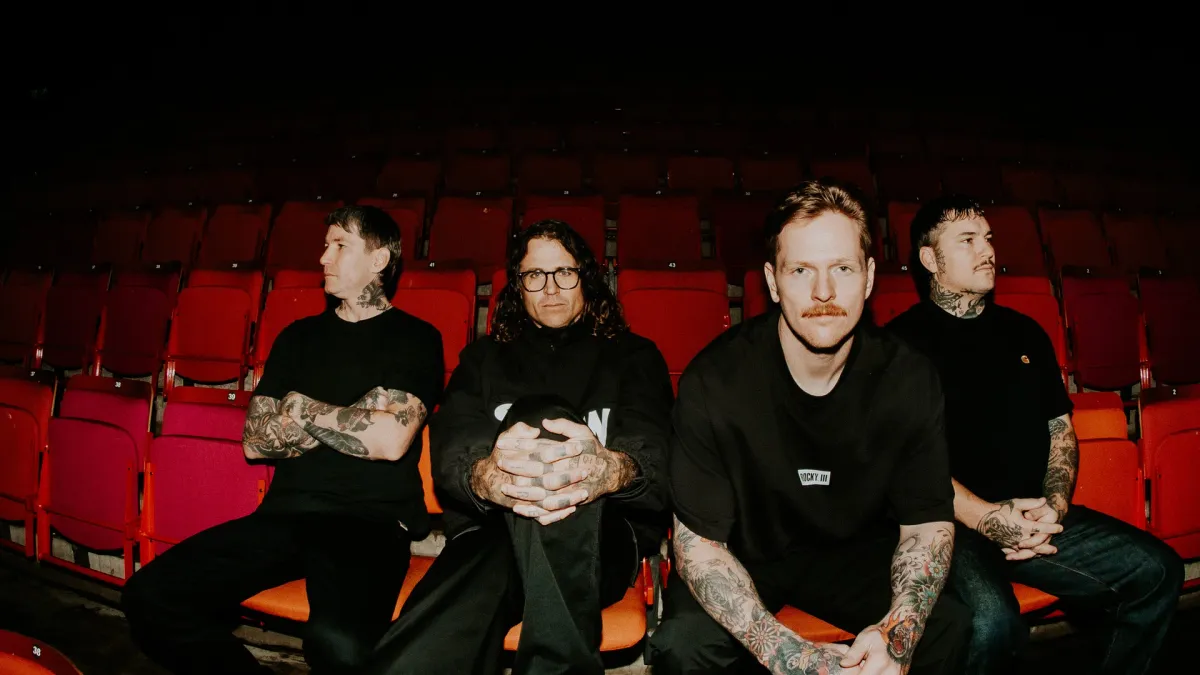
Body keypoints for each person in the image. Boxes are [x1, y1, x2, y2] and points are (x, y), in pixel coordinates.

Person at [647, 180, 969, 675]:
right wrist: (787, 656)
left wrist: (898, 634)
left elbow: (926, 525)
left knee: (948, 625)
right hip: (744, 555)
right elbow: (699, 549)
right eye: (801, 270)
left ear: (868, 278)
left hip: (855, 553)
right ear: (773, 282)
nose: (824, 292)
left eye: (842, 268)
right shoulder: (715, 381)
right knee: (683, 646)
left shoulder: (908, 378)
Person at [122, 205, 445, 675]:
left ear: (379, 260)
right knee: (150, 596)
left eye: (340, 245)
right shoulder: (298, 337)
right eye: (325, 245)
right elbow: (256, 441)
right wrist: (358, 414)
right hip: (285, 515)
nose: (323, 257)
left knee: (339, 646)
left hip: (370, 522)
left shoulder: (416, 338)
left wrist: (298, 406)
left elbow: (389, 440)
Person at [885, 194, 1184, 674]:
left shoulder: (1025, 332)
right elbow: (908, 464)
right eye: (967, 240)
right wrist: (987, 519)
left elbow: (1059, 427)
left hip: (1033, 516)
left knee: (1158, 571)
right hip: (948, 527)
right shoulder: (898, 347)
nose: (987, 250)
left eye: (988, 238)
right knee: (991, 623)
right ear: (930, 259)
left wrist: (1055, 505)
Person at [366, 219, 673, 675]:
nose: (550, 288)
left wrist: (607, 470)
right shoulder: (483, 359)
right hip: (493, 530)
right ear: (518, 285)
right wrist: (486, 477)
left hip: (603, 534)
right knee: (442, 619)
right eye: (534, 275)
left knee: (541, 418)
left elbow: (656, 456)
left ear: (586, 277)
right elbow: (455, 448)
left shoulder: (634, 357)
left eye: (563, 272)